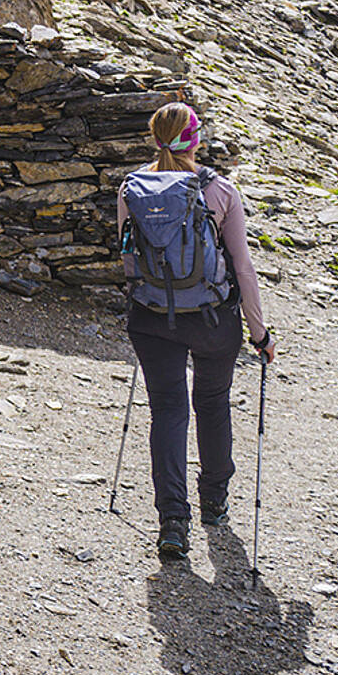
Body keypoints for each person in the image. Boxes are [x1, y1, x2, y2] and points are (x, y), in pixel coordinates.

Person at [116, 102, 277, 560]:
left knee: (168, 411)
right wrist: (259, 333)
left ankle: (172, 523)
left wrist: (145, 301)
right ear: (196, 140)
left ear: (155, 138)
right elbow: (242, 268)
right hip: (212, 320)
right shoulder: (221, 190)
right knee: (212, 403)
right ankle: (214, 502)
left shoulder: (132, 189)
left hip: (151, 318)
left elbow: (129, 259)